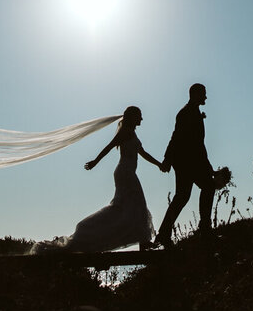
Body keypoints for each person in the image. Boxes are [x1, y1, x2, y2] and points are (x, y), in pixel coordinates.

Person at [34, 106, 166, 253]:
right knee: (134, 206)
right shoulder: (125, 133)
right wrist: (95, 162)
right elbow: (109, 147)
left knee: (132, 207)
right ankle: (90, 232)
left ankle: (144, 242)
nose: (141, 119)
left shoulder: (132, 133)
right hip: (125, 173)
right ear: (133, 117)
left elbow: (143, 153)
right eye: (139, 116)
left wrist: (158, 164)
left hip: (128, 173)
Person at [154, 83, 216, 248]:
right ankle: (204, 227)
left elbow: (199, 142)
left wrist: (207, 164)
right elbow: (176, 137)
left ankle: (164, 234)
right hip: (185, 161)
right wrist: (168, 158)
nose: (206, 97)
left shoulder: (193, 112)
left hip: (191, 160)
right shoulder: (186, 113)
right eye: (203, 94)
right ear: (195, 94)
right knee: (204, 188)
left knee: (184, 196)